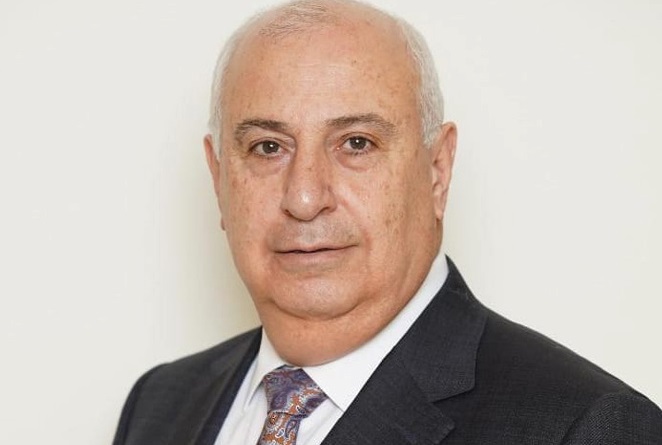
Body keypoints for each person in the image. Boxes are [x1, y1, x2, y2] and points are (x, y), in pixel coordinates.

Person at [113, 1, 662, 444]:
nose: (304, 197)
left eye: (356, 143)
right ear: (218, 179)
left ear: (437, 171)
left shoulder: (586, 428)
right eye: (268, 147)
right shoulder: (159, 406)